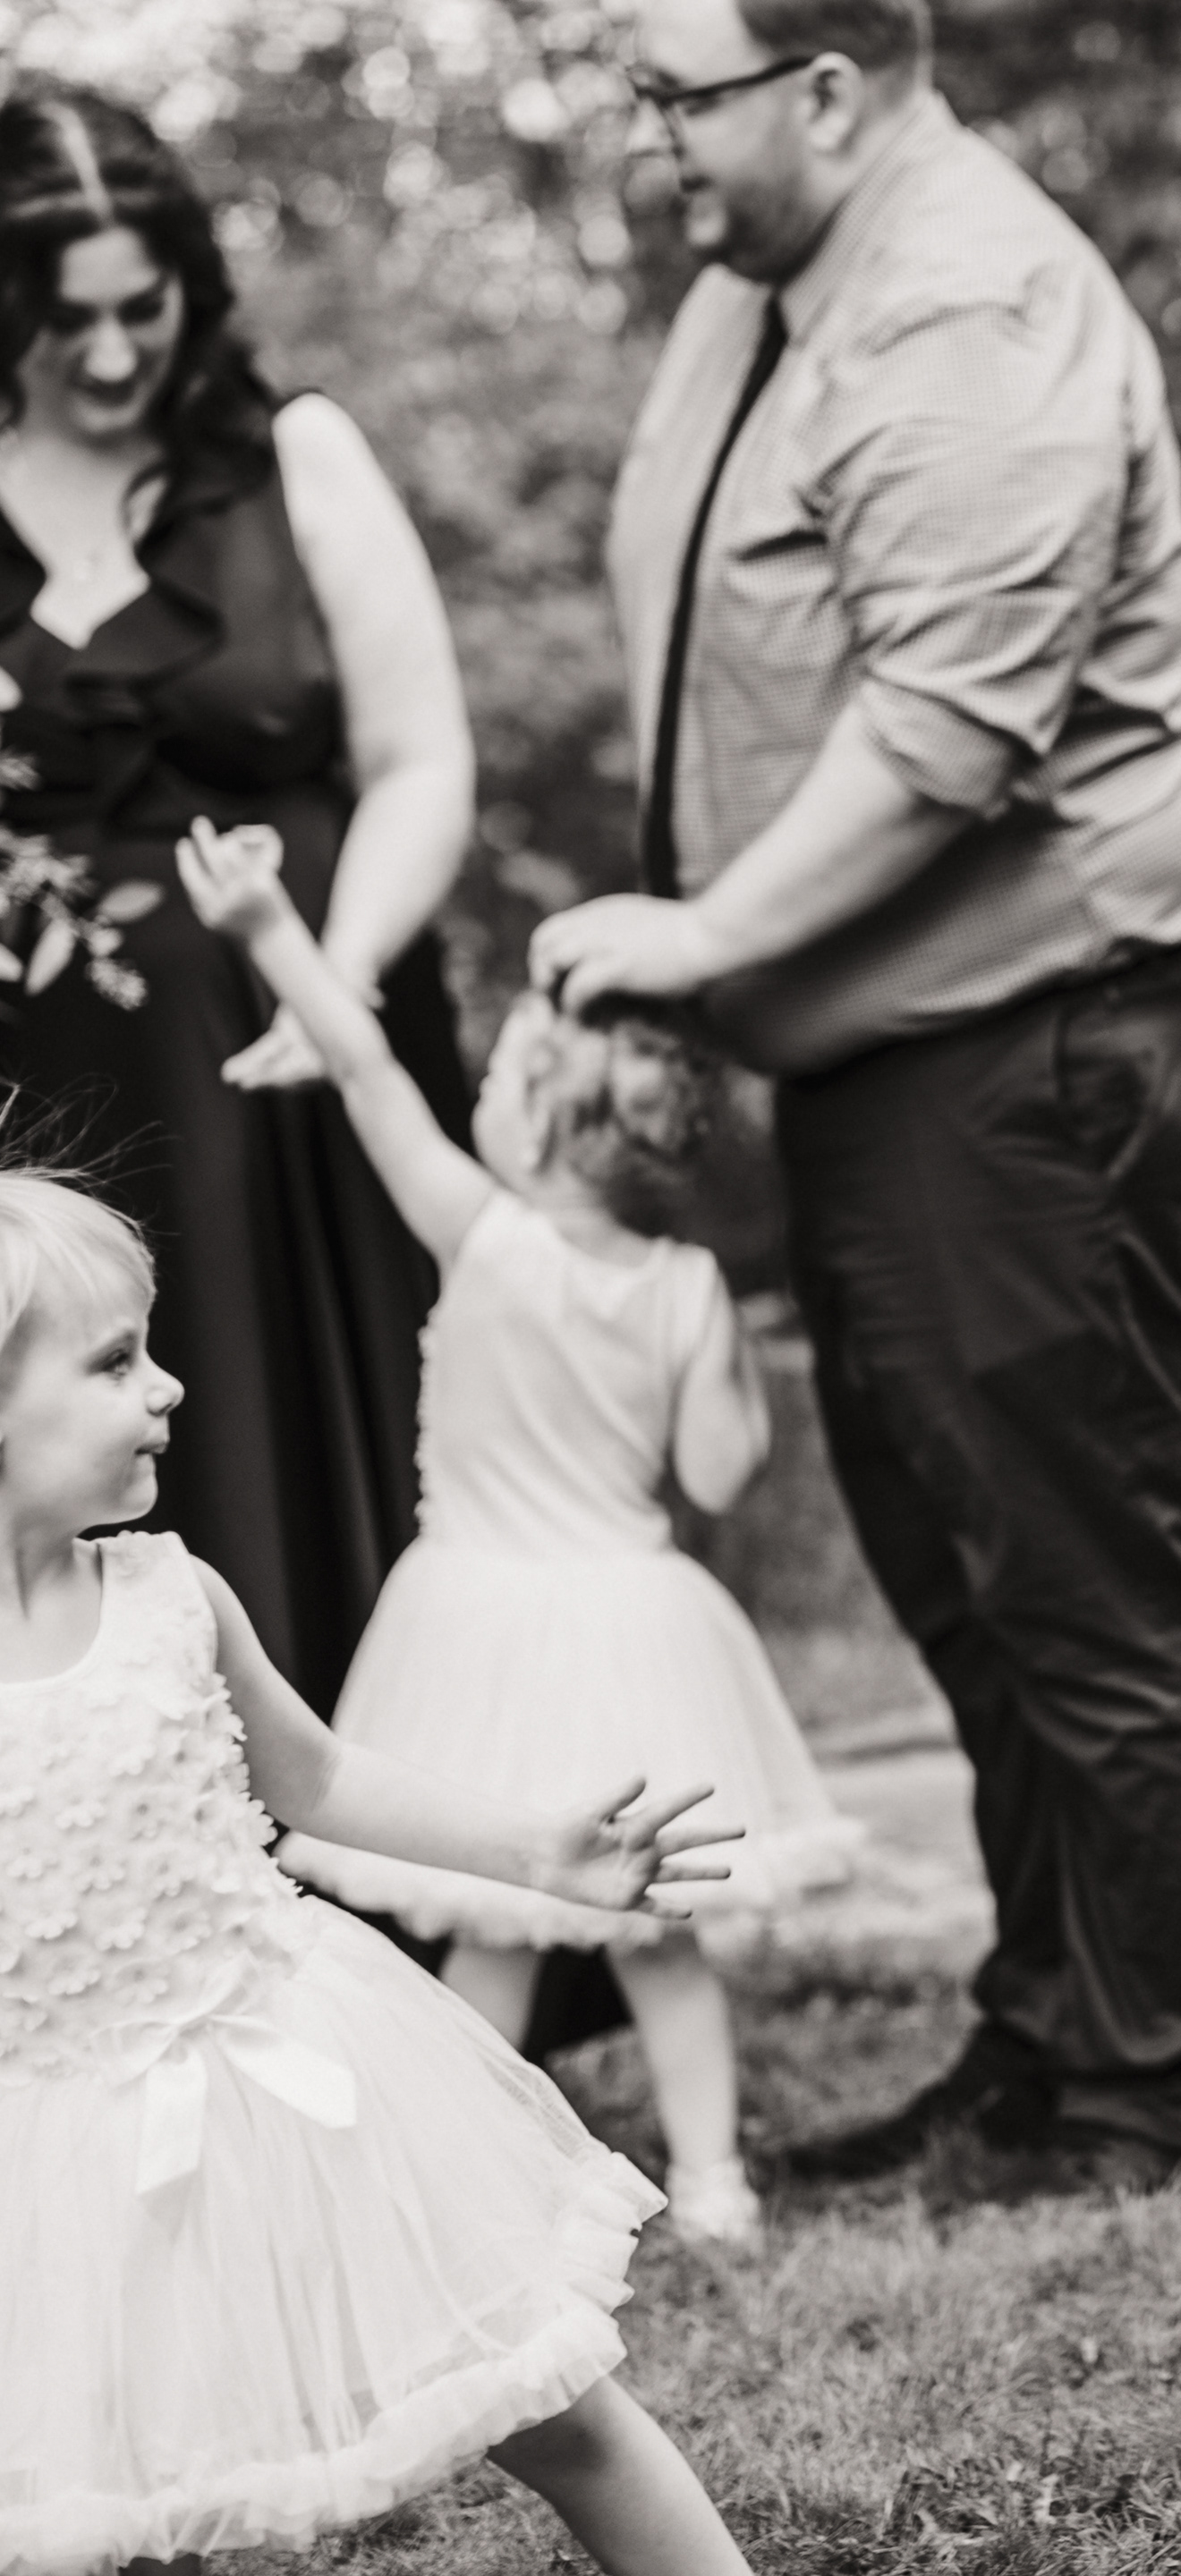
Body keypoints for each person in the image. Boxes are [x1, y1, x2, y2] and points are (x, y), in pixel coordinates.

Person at [0, 1171, 752, 2576]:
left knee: (552, 2401)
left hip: (306, 2066)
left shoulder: (174, 1596)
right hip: (67, 2148)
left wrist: (543, 1854)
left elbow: (319, 1780)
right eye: (116, 1362)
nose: (167, 1387)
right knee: (93, 2502)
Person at [531, 0, 1181, 2190]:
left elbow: (947, 726)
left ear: (826, 87)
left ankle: (1147, 2083)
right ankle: (1057, 2030)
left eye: (677, 96)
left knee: (1087, 1585)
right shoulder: (771, 283)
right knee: (975, 1591)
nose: (649, 141)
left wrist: (708, 936)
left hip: (1030, 1047)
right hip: (893, 1054)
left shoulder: (963, 303)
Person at [0, 83, 475, 1721]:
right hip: (10, 1104)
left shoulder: (292, 454)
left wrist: (339, 982)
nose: (106, 353)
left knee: (345, 1444)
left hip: (302, 1065)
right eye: (61, 316)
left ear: (187, 285)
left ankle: (396, 1829)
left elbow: (421, 755)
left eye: (139, 308)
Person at [179, 818, 860, 2250]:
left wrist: (264, 927)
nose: (480, 1088)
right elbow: (721, 1474)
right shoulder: (685, 1286)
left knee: (492, 1921)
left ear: (542, 1116)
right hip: (635, 1620)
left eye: (498, 1075)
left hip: (482, 1621)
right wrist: (722, 1347)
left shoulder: (479, 1232)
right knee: (659, 1932)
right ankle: (715, 2183)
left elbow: (362, 1070)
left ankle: (460, 2180)